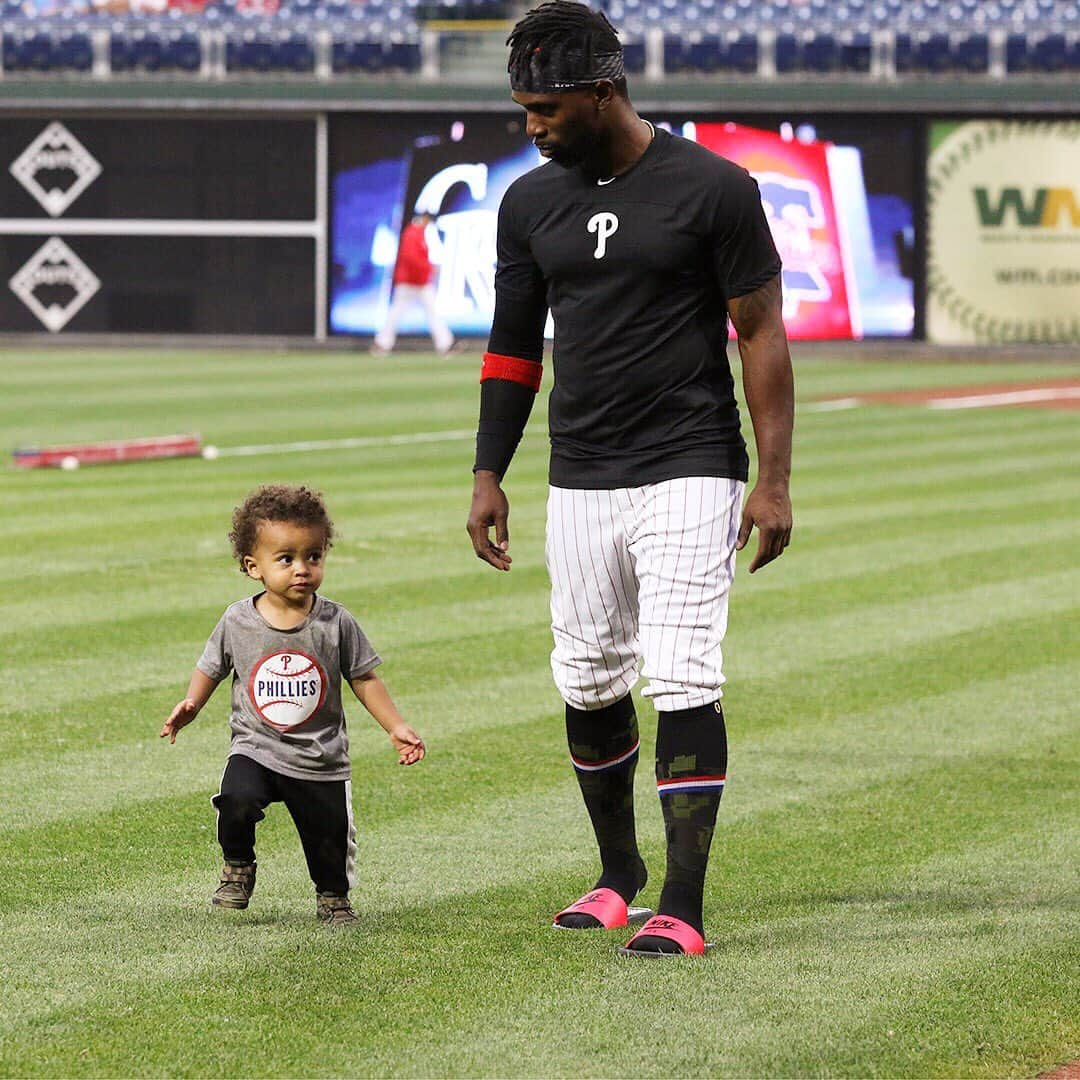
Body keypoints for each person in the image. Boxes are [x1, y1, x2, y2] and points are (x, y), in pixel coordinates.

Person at [466, 0, 794, 957]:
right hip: (582, 473)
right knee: (587, 676)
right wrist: (490, 471)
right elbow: (512, 349)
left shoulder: (714, 188)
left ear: (604, 92)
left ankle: (683, 906)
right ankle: (619, 875)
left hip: (691, 463)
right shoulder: (529, 203)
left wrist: (772, 483)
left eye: (545, 110)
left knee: (683, 673)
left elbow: (762, 334)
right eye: (523, 109)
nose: (531, 127)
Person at [161, 484, 425, 925]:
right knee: (235, 799)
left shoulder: (335, 622)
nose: (302, 568)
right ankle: (238, 867)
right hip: (256, 747)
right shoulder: (237, 620)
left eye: (313, 556)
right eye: (286, 559)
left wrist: (395, 726)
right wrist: (192, 701)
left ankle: (333, 896)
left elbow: (364, 677)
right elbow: (212, 665)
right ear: (253, 567)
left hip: (318, 756)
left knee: (329, 838)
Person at [372, 211, 456, 356]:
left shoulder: (420, 233)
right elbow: (411, 258)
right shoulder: (413, 233)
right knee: (397, 312)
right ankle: (382, 344)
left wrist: (427, 269)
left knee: (432, 312)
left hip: (419, 281)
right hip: (409, 281)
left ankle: (445, 344)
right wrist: (429, 268)